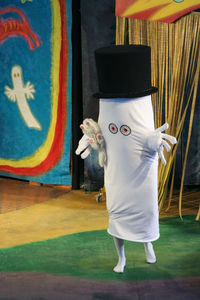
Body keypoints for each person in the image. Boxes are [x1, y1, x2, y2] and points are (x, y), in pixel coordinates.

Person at [76, 45, 177, 273]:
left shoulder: (139, 108)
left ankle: (148, 244)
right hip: (116, 172)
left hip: (140, 170)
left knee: (144, 211)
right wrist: (91, 137)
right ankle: (121, 258)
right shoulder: (108, 107)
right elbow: (101, 134)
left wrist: (154, 141)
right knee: (118, 214)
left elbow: (145, 137)